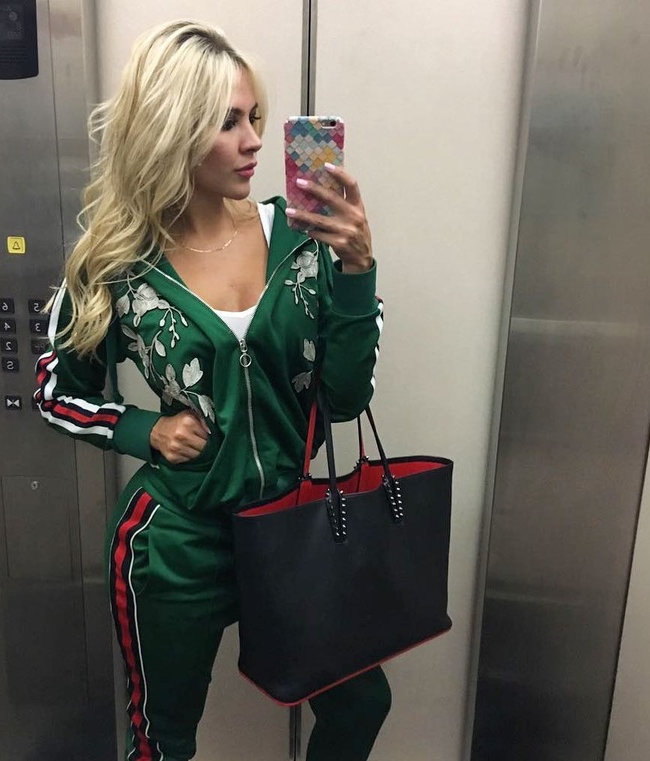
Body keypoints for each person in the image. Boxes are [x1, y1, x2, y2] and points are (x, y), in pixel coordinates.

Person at [34, 19, 388, 761]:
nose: (254, 141)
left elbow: (346, 399)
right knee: (162, 742)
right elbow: (55, 392)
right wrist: (143, 430)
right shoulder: (118, 265)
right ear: (171, 129)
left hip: (290, 525)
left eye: (256, 117)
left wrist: (357, 271)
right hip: (176, 543)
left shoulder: (300, 237)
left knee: (361, 702)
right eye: (228, 122)